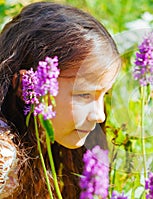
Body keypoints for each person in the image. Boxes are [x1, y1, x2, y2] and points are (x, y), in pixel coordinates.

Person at [0, 1, 121, 198]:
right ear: (26, 87)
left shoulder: (44, 141)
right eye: (84, 95)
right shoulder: (4, 156)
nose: (99, 115)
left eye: (104, 95)